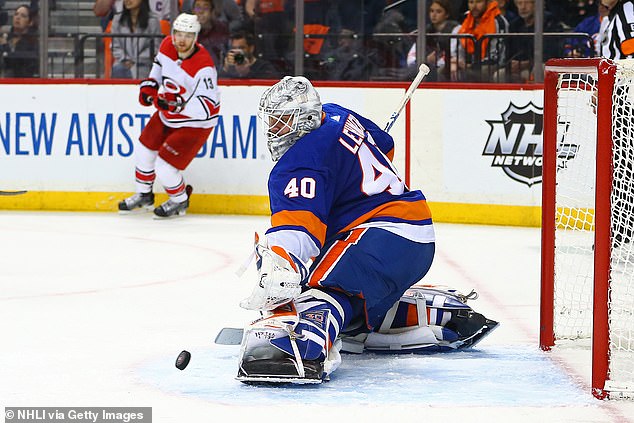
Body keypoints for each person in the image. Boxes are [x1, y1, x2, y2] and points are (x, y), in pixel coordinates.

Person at [235, 76, 498, 383]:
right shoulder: (335, 113)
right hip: (412, 234)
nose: (273, 130)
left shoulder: (300, 161)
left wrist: (279, 267)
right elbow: (384, 146)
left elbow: (299, 231)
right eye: (271, 121)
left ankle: (297, 346)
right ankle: (433, 313)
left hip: (381, 235)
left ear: (304, 119)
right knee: (345, 302)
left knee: (318, 293)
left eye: (281, 122)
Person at [118, 13, 220, 218]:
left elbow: (208, 107)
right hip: (168, 115)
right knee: (144, 150)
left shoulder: (203, 67)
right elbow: (157, 69)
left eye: (188, 35)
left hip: (196, 123)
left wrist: (175, 106)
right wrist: (150, 87)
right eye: (178, 34)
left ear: (196, 38)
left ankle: (180, 200)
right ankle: (144, 194)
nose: (181, 40)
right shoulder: (167, 45)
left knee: (164, 167)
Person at [598, 0, 634, 246]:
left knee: (623, 164)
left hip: (626, 96)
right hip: (618, 96)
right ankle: (622, 228)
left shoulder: (628, 9)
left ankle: (621, 229)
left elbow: (630, 50)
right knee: (620, 163)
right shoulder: (612, 15)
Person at [450, 0, 509, 82]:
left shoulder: (498, 21)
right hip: (469, 65)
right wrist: (456, 62)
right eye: (471, 2)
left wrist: (470, 66)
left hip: (493, 65)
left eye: (478, 2)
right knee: (445, 70)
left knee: (482, 70)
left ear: (487, 3)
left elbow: (496, 56)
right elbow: (460, 48)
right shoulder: (466, 20)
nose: (474, 6)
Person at [505, 0, 564, 82]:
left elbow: (551, 54)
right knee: (501, 74)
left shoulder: (550, 23)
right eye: (519, 3)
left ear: (538, 5)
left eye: (527, 2)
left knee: (537, 70)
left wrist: (528, 63)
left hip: (543, 66)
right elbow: (509, 53)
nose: (523, 7)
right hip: (519, 68)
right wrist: (512, 64)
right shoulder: (514, 25)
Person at [405, 0, 460, 81]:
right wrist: (427, 60)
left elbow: (453, 53)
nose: (434, 15)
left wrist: (437, 61)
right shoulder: (425, 31)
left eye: (438, 11)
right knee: (411, 71)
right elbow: (411, 58)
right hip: (427, 66)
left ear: (447, 14)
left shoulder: (456, 29)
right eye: (431, 11)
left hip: (446, 67)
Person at [110, 0, 163, 79]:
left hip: (144, 63)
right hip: (122, 62)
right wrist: (126, 60)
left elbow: (155, 46)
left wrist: (136, 61)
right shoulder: (117, 20)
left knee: (142, 72)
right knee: (119, 70)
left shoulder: (152, 21)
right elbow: (115, 45)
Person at [0, 4, 38, 78]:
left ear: (30, 22)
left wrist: (5, 46)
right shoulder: (7, 37)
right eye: (16, 14)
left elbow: (16, 65)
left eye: (23, 16)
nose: (18, 17)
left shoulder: (31, 43)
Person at [192, 0, 229, 66]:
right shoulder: (187, 30)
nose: (201, 11)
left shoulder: (221, 29)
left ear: (212, 12)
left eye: (205, 8)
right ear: (193, 11)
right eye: (198, 8)